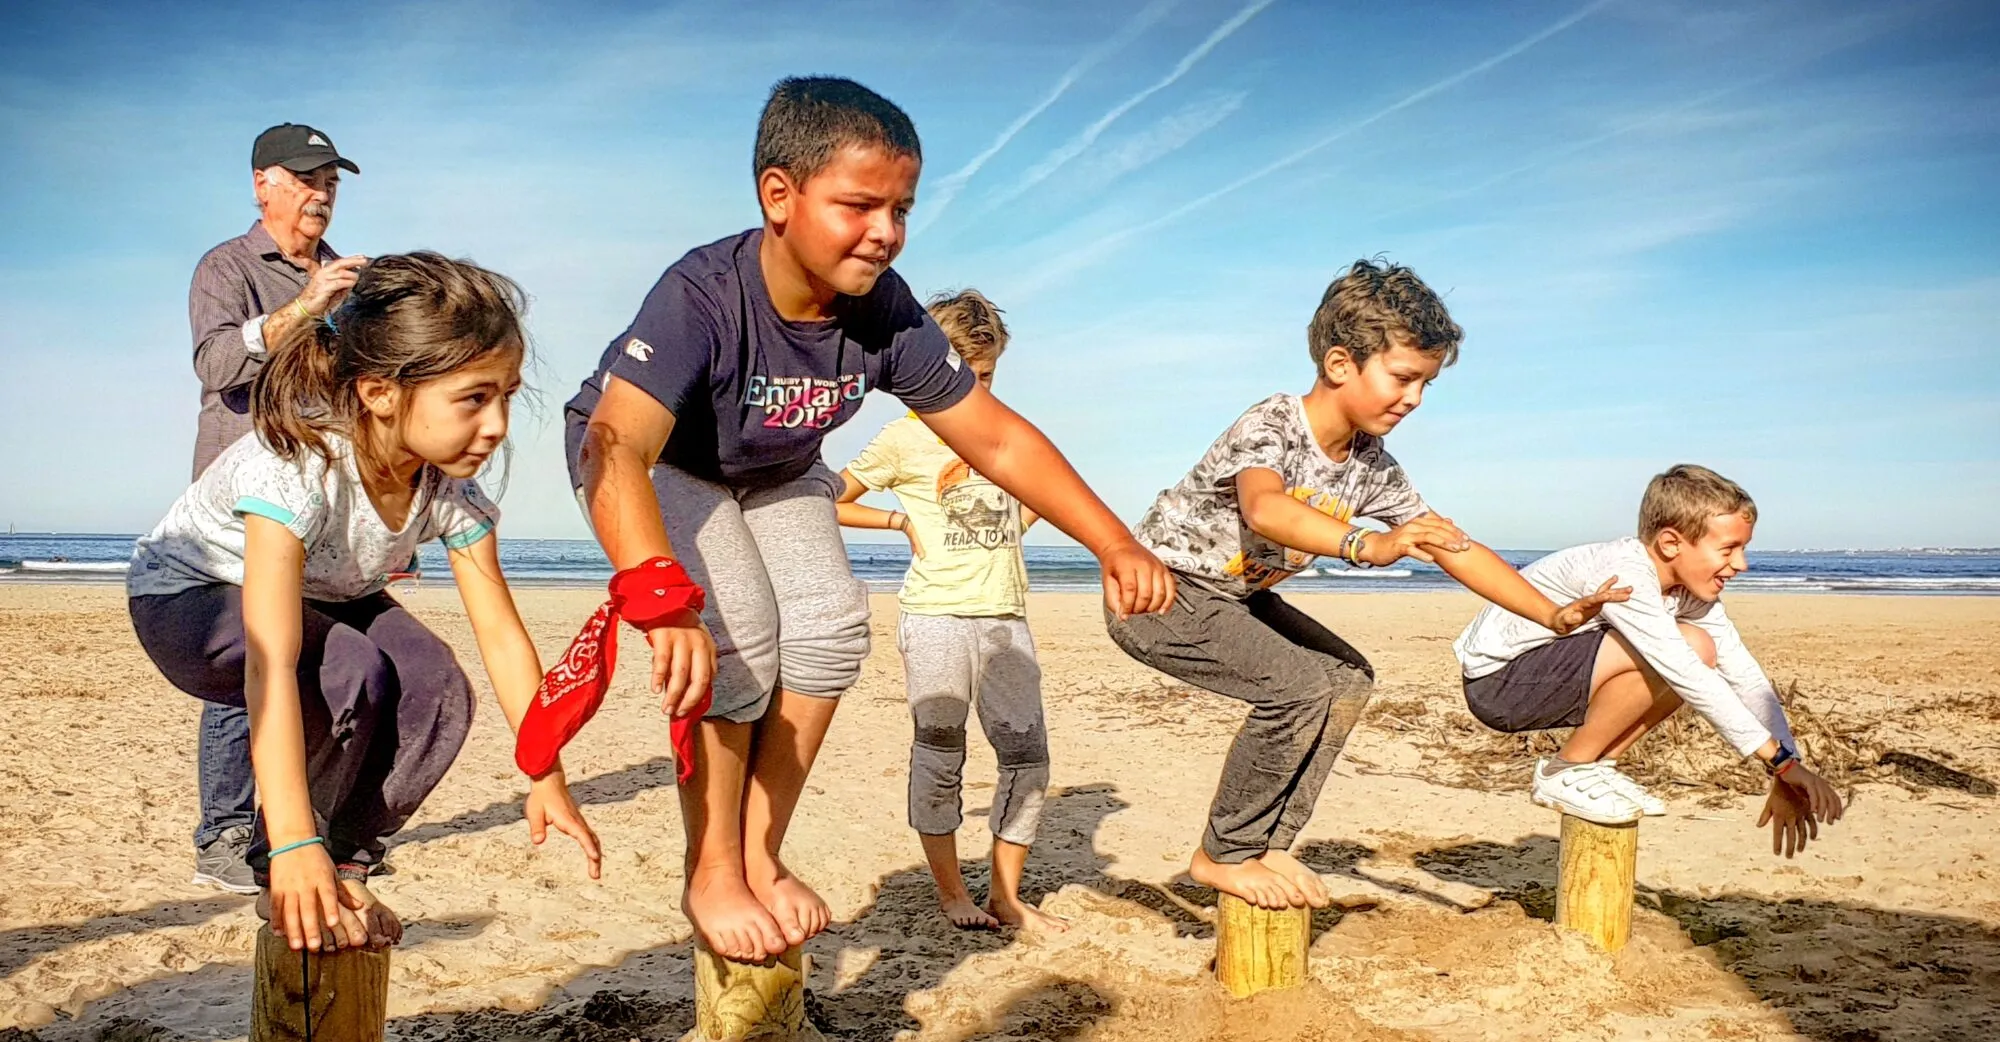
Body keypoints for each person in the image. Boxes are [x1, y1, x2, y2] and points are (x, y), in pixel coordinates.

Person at [559, 76, 1171, 963]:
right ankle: (714, 868)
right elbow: (616, 444)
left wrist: (1111, 541)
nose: (885, 231)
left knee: (831, 630)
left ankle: (760, 854)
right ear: (779, 195)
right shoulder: (703, 294)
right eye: (858, 205)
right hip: (655, 463)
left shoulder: (884, 312)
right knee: (742, 631)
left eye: (902, 208)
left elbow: (994, 439)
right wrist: (658, 591)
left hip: (774, 469)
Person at [1108, 259, 1627, 910]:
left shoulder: (1373, 467)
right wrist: (1367, 544)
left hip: (1234, 596)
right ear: (1340, 364)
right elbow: (1266, 509)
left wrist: (1552, 616)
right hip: (1160, 591)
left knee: (1348, 679)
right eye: (1404, 378)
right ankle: (1222, 857)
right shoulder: (1273, 424)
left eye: (1425, 384)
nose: (1413, 398)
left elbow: (1453, 548)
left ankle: (1269, 843)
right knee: (1295, 688)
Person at [130, 253, 601, 952]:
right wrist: (290, 843)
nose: (499, 423)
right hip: (189, 598)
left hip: (328, 595)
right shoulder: (300, 470)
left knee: (437, 687)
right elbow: (270, 659)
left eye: (507, 394)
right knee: (354, 669)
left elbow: (500, 634)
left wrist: (546, 772)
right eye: (474, 397)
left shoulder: (449, 490)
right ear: (381, 394)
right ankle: (284, 862)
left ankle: (346, 861)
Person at [1454, 464, 1846, 854]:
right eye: (1728, 549)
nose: (1741, 564)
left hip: (1549, 676)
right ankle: (1566, 770)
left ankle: (1593, 767)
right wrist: (1779, 762)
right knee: (1690, 650)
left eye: (1743, 549)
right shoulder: (1625, 574)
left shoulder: (1690, 592)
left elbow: (1744, 676)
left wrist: (1786, 766)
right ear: (1671, 543)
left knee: (1698, 648)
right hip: (1501, 682)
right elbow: (1689, 674)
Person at [835, 290, 1064, 933]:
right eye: (968, 375)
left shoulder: (1003, 429)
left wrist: (1024, 514)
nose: (980, 388)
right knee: (940, 754)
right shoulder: (902, 439)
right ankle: (951, 893)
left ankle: (1006, 896)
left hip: (1005, 618)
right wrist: (895, 519)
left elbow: (1036, 494)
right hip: (935, 617)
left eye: (989, 376)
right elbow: (829, 498)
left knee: (1028, 759)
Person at [183, 123, 370, 893]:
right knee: (249, 658)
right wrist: (305, 305)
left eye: (331, 180)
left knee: (323, 661)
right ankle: (222, 835)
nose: (322, 193)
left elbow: (365, 390)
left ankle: (296, 825)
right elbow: (218, 364)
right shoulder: (225, 267)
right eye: (306, 179)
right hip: (242, 497)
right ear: (264, 184)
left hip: (328, 498)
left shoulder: (349, 273)